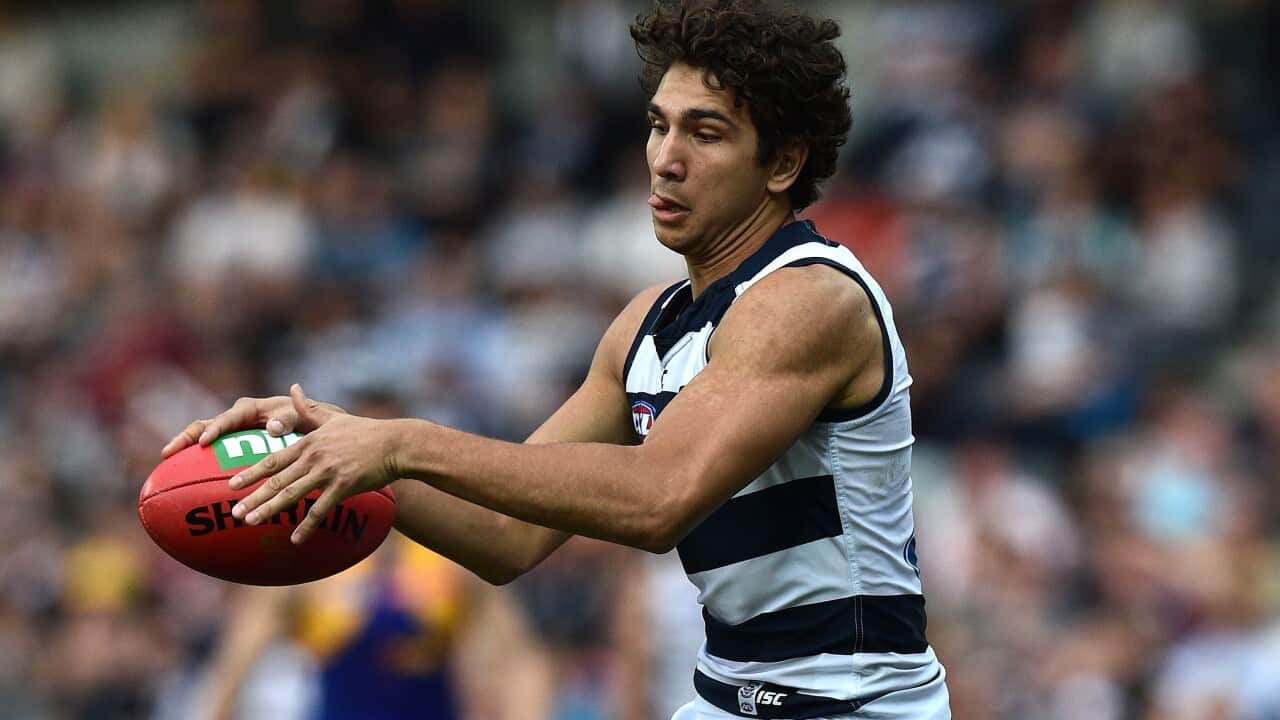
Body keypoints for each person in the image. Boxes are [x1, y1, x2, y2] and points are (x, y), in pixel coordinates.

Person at [163, 1, 952, 717]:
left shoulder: (809, 299)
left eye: (705, 133)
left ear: (782, 164)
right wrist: (343, 451)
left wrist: (402, 442)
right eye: (659, 125)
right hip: (724, 697)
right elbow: (505, 535)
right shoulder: (646, 324)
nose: (665, 158)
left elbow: (659, 500)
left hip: (852, 705)